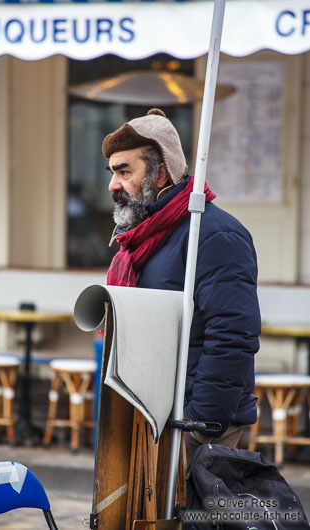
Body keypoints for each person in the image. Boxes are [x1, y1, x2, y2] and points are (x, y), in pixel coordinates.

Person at [103, 108, 261, 463]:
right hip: (153, 410)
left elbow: (233, 334)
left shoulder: (215, 234)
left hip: (192, 420)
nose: (113, 185)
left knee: (191, 519)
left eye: (124, 171)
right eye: (112, 173)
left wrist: (203, 422)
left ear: (161, 174)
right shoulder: (147, 235)